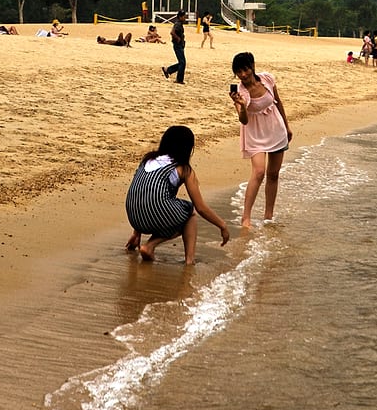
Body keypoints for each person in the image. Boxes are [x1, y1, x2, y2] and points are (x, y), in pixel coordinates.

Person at [124, 125, 230, 264]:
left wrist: (136, 233)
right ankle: (186, 259)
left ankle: (147, 243)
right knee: (189, 212)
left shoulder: (147, 160)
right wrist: (222, 225)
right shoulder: (184, 169)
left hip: (133, 216)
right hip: (153, 215)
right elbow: (200, 207)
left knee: (162, 204)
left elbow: (142, 193)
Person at [229, 51, 292, 231]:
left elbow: (278, 102)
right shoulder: (241, 92)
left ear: (252, 66)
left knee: (273, 175)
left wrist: (287, 127)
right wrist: (240, 105)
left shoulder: (267, 79)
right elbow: (243, 120)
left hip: (276, 130)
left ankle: (268, 215)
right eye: (238, 72)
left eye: (245, 70)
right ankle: (246, 218)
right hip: (255, 134)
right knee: (258, 172)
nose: (243, 75)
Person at [163, 13, 187, 83]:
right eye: (183, 17)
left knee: (182, 62)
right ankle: (179, 79)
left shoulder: (179, 24)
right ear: (180, 17)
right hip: (177, 45)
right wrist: (178, 39)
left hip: (179, 45)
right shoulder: (178, 24)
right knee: (182, 62)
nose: (184, 18)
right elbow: (172, 32)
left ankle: (167, 70)